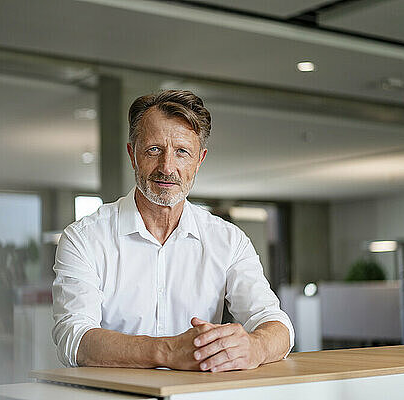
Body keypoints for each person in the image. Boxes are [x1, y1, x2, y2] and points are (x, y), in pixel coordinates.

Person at [52, 90, 294, 372]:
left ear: (199, 160)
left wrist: (255, 348)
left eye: (182, 152)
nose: (167, 167)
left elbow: (276, 324)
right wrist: (167, 351)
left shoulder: (229, 240)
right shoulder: (84, 238)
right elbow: (74, 339)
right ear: (132, 154)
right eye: (154, 149)